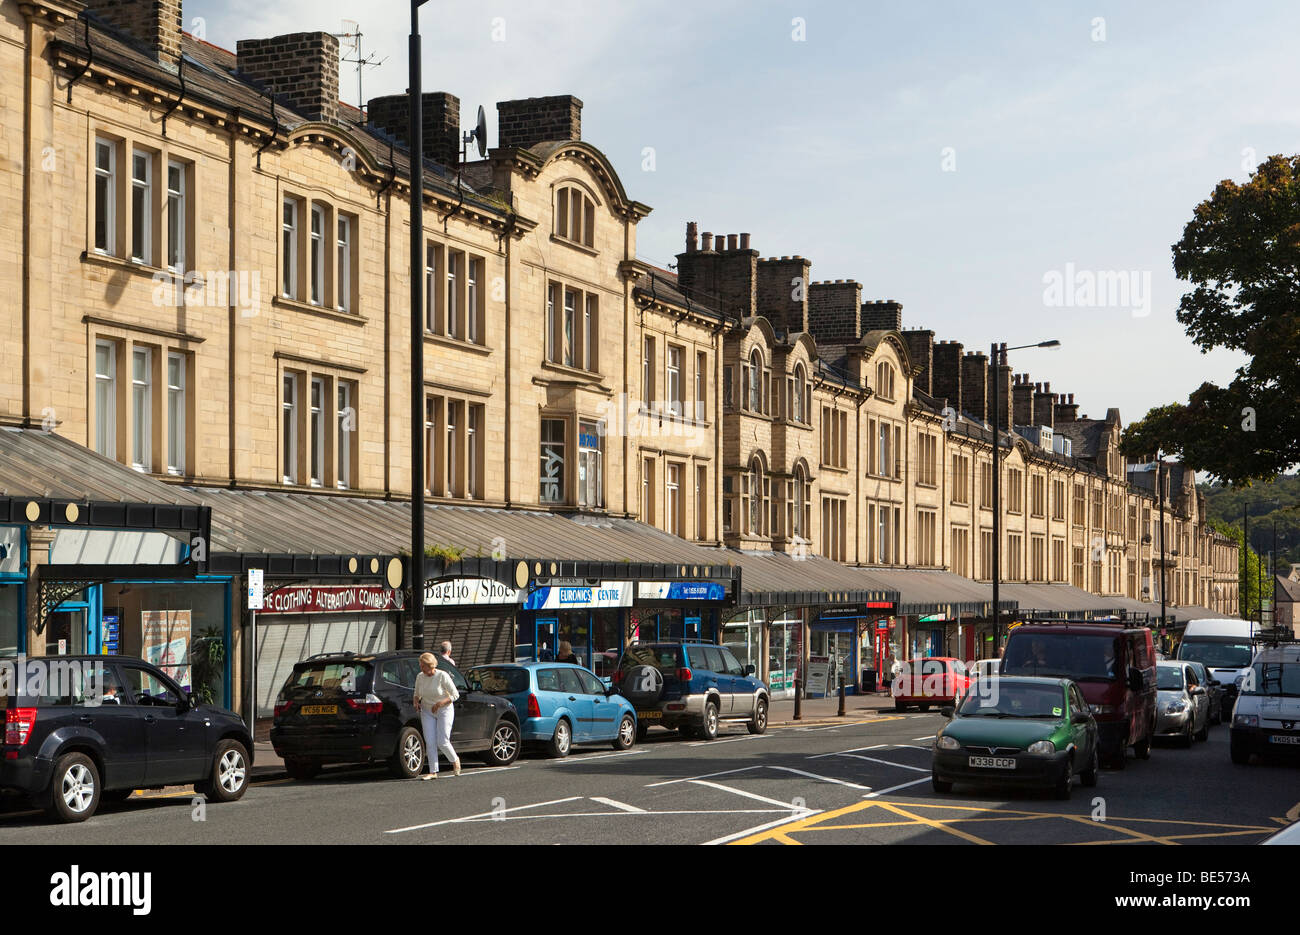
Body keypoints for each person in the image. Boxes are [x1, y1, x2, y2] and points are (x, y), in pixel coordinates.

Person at [413, 652, 460, 779]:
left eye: (423, 666)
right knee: (430, 741)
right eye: (420, 665)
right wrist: (416, 702)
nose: (421, 668)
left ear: (431, 665)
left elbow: (455, 695)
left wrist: (440, 703)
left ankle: (455, 760)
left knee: (442, 741)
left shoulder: (442, 676)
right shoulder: (420, 677)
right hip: (427, 710)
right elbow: (416, 693)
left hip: (444, 709)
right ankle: (433, 771)